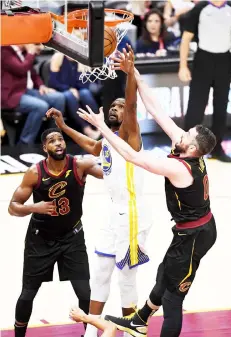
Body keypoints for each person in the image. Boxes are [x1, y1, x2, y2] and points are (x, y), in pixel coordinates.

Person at [78, 52, 217, 337]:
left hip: (195, 235)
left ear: (192, 149)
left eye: (185, 136)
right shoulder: (187, 148)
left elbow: (133, 157)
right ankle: (140, 321)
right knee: (163, 275)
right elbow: (156, 110)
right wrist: (134, 72)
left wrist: (102, 127)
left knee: (172, 299)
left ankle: (147, 323)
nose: (179, 134)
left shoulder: (179, 168)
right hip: (189, 230)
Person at [46, 45, 151, 337]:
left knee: (125, 280)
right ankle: (92, 332)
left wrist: (129, 74)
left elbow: (131, 105)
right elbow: (91, 146)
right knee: (101, 273)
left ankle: (133, 331)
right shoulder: (109, 139)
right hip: (112, 212)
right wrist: (64, 126)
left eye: (119, 106)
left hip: (132, 213)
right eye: (113, 106)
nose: (117, 108)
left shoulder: (130, 134)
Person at [8, 128, 103, 337]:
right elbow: (12, 207)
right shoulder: (35, 172)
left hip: (72, 237)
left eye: (60, 139)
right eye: (52, 141)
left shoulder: (79, 165)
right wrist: (35, 207)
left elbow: (110, 175)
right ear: (44, 148)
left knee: (85, 293)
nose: (58, 143)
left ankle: (88, 335)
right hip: (40, 239)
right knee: (28, 293)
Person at [178, 0, 231, 163]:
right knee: (195, 108)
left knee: (221, 107)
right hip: (203, 59)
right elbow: (186, 38)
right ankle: (186, 148)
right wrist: (183, 66)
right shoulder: (200, 8)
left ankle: (217, 149)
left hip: (224, 60)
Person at [1, 44, 65, 144]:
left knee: (59, 98)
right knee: (40, 106)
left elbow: (33, 73)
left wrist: (41, 86)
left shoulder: (23, 53)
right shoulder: (4, 52)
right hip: (11, 95)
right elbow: (21, 69)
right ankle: (24, 143)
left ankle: (52, 137)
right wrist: (31, 52)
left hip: (25, 91)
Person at [49, 52, 101, 139]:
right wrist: (69, 88)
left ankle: (99, 126)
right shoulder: (58, 58)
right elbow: (53, 82)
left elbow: (84, 85)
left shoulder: (82, 59)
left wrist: (81, 69)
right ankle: (86, 129)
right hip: (62, 90)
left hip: (78, 90)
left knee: (85, 93)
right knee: (69, 95)